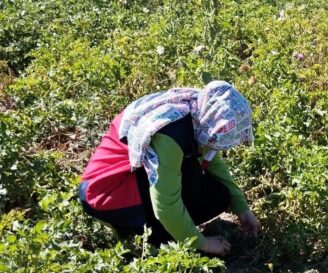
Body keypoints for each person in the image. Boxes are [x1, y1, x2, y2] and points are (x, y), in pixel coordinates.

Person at [78, 80, 260, 256]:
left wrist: (242, 208)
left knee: (218, 195)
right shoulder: (170, 135)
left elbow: (211, 158)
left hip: (128, 180)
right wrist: (203, 243)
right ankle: (153, 238)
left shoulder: (199, 111)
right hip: (105, 194)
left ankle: (167, 231)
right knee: (192, 178)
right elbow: (166, 206)